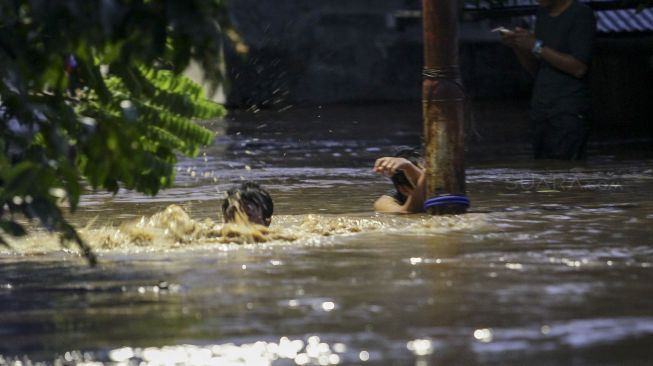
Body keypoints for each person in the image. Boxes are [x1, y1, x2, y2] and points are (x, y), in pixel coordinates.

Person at [500, 0, 596, 160]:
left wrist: (536, 46)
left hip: (567, 110)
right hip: (541, 109)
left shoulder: (580, 13)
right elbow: (537, 68)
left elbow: (578, 68)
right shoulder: (542, 13)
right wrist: (518, 46)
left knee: (566, 172)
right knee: (544, 172)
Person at [373, 147, 427, 213]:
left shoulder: (440, 184)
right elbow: (407, 212)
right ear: (404, 190)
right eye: (421, 180)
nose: (427, 184)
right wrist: (408, 167)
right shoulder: (384, 202)